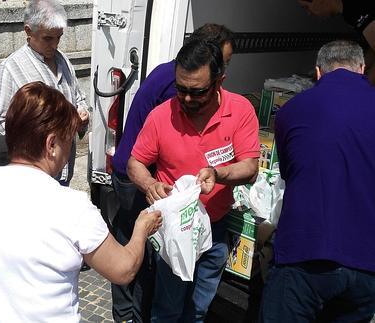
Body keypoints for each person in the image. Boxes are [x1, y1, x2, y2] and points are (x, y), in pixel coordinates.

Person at [0, 81, 162, 322]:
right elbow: (123, 269)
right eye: (68, 140)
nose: (69, 150)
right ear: (51, 144)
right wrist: (141, 229)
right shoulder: (71, 206)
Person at [127, 38, 259, 322]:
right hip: (174, 233)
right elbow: (135, 162)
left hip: (215, 229)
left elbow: (250, 167)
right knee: (167, 309)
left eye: (197, 92)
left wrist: (219, 173)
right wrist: (149, 184)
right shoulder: (162, 115)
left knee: (198, 309)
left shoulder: (241, 110)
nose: (186, 99)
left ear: (219, 81)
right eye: (181, 89)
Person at [109, 23, 234, 323]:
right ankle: (133, 315)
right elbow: (166, 137)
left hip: (130, 166)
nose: (189, 98)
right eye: (225, 60)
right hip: (134, 173)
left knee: (132, 238)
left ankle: (125, 312)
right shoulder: (180, 84)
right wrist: (154, 181)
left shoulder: (169, 71)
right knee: (144, 251)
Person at [258, 40, 375, 322]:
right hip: (367, 263)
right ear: (362, 68)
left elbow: (290, 172)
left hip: (304, 254)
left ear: (318, 73)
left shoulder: (290, 111)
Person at [0, 0, 90, 186]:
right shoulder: (11, 67)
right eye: (48, 38)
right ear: (28, 32)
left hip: (64, 168)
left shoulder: (63, 61)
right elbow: (1, 122)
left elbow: (78, 97)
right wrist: (45, 129)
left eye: (59, 38)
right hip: (34, 174)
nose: (54, 45)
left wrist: (81, 114)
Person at [297, 0, 375, 83]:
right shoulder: (348, 13)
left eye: (307, 7)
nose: (309, 13)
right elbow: (373, 48)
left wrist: (364, 88)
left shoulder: (356, 9)